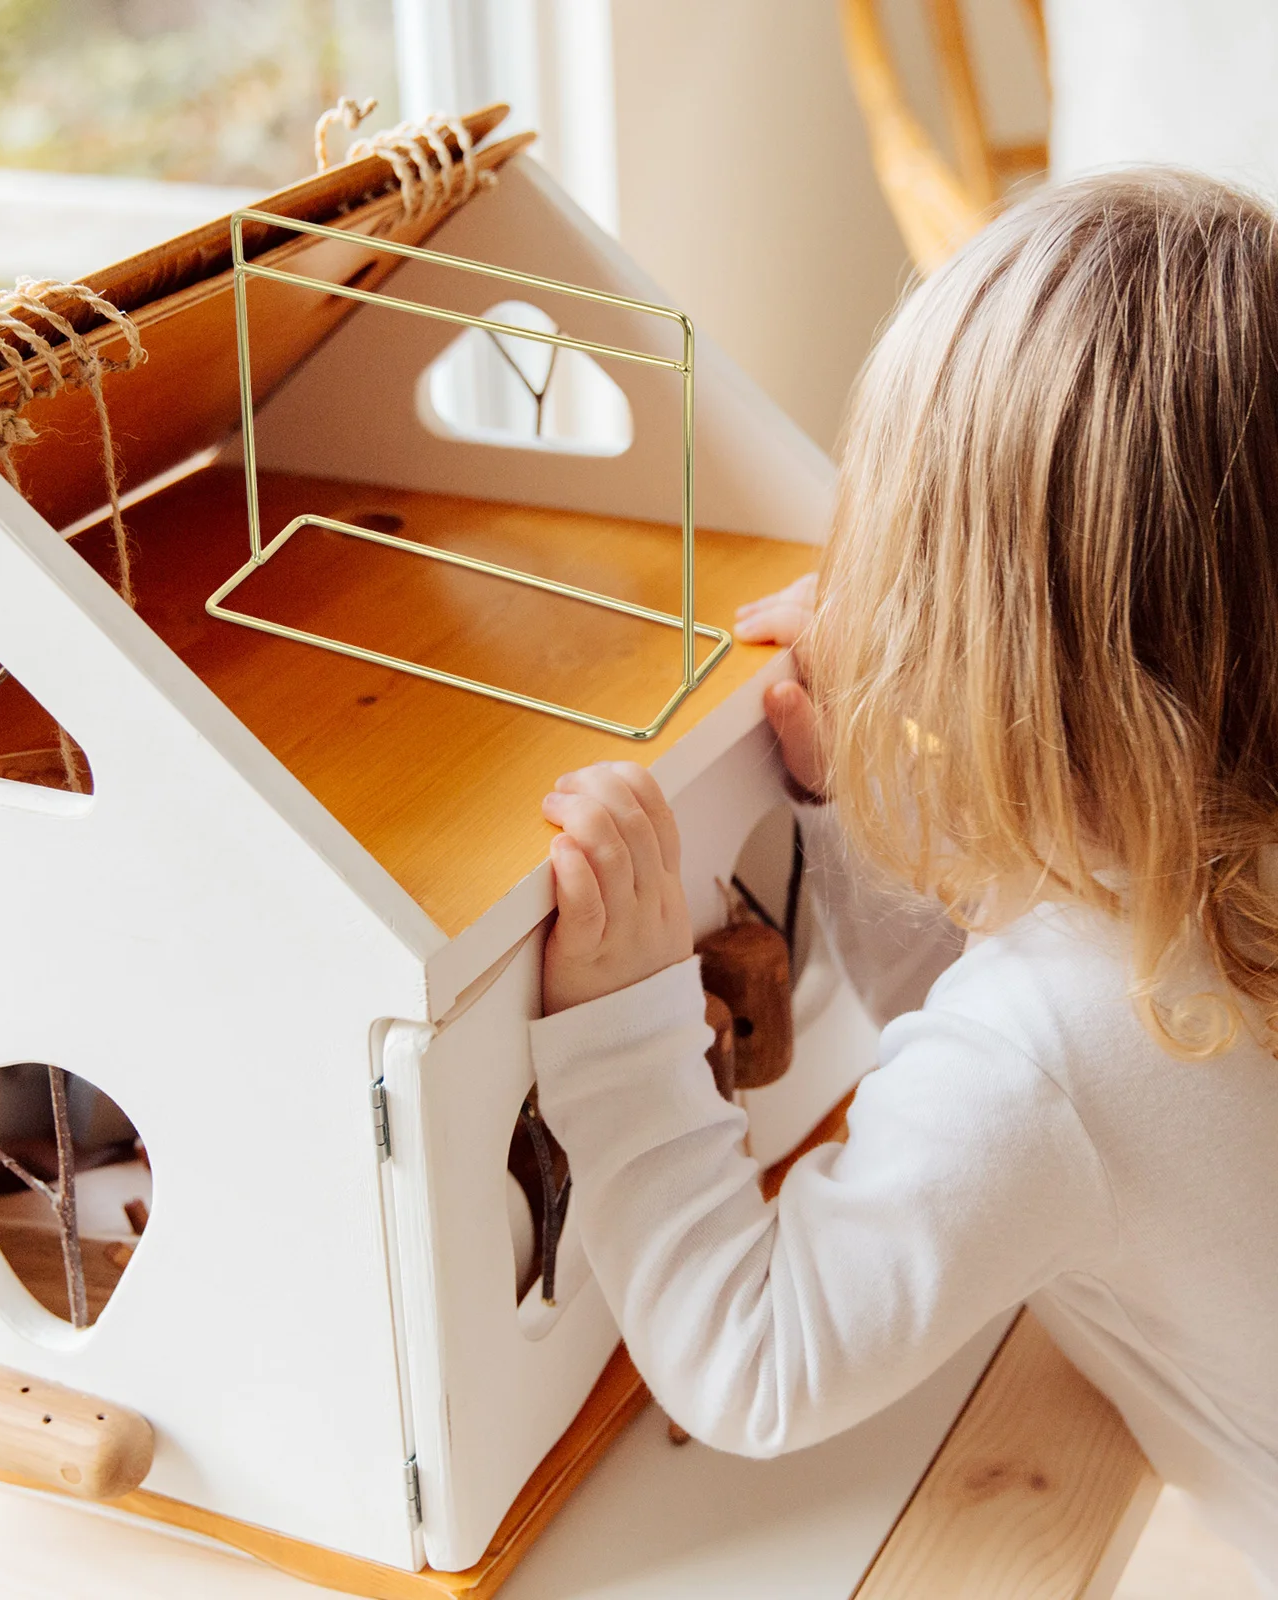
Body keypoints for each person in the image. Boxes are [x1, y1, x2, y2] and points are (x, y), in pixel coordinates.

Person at [530, 170, 1278, 1588]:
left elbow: (758, 1364)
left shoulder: (1057, 1048)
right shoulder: (1190, 894)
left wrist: (622, 1028)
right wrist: (848, 816)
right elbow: (1000, 1029)